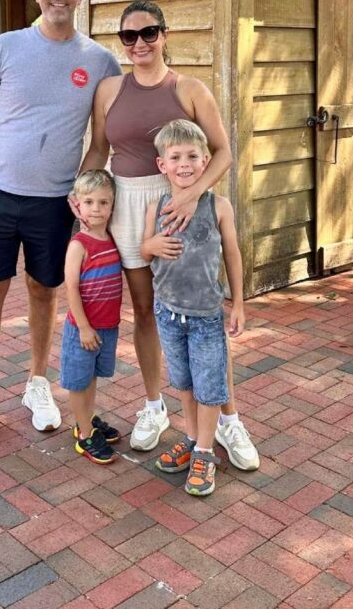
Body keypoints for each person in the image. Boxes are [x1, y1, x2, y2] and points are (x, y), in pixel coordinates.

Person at [0, 0, 121, 452]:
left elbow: (102, 140)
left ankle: (37, 383)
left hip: (53, 202)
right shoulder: (7, 46)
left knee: (44, 293)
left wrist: (84, 191)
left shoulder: (100, 60)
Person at [78, 0, 259, 470]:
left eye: (149, 33)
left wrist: (191, 193)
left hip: (177, 203)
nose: (139, 43)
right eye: (129, 36)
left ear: (165, 34)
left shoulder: (190, 89)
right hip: (127, 206)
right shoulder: (108, 90)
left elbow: (222, 153)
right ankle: (156, 406)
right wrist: (78, 202)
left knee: (201, 309)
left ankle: (227, 418)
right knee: (147, 310)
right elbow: (99, 149)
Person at [140, 119, 244, 496]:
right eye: (176, 157)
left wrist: (238, 305)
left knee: (210, 387)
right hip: (167, 313)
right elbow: (143, 248)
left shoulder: (218, 206)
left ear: (205, 163)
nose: (184, 164)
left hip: (206, 316)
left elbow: (232, 255)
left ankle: (205, 451)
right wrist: (150, 247)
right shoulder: (155, 207)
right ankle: (190, 436)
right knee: (183, 382)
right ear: (161, 165)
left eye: (193, 157)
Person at [61, 169, 123, 464]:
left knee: (92, 376)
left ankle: (88, 416)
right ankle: (84, 434)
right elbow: (71, 288)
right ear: (77, 205)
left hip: (107, 326)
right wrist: (84, 327)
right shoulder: (79, 245)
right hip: (83, 328)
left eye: (103, 202)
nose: (96, 209)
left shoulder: (112, 237)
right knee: (78, 380)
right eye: (89, 202)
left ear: (112, 205)